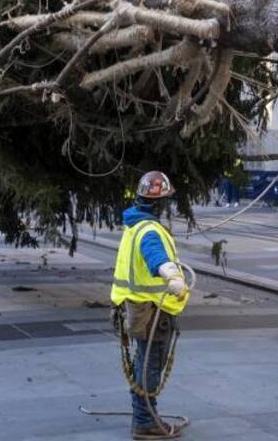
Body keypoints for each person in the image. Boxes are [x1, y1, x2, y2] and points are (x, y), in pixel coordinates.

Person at [111, 171, 189, 440]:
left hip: (137, 309)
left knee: (144, 363)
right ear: (159, 204)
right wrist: (173, 277)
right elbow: (154, 255)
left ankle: (144, 418)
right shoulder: (149, 230)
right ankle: (145, 422)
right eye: (166, 201)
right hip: (152, 311)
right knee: (150, 366)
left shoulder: (134, 223)